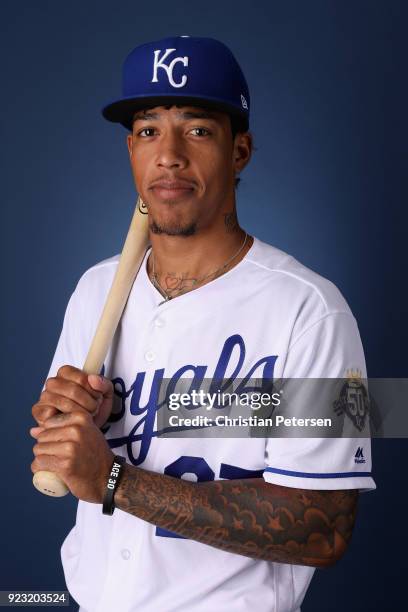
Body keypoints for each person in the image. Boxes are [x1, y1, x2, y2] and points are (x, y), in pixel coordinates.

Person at [30, 36, 375, 612]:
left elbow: (327, 528)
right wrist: (74, 425)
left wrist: (114, 480)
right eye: (147, 131)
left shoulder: (314, 311)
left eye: (197, 130)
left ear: (240, 151)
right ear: (131, 150)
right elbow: (74, 451)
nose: (168, 155)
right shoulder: (95, 290)